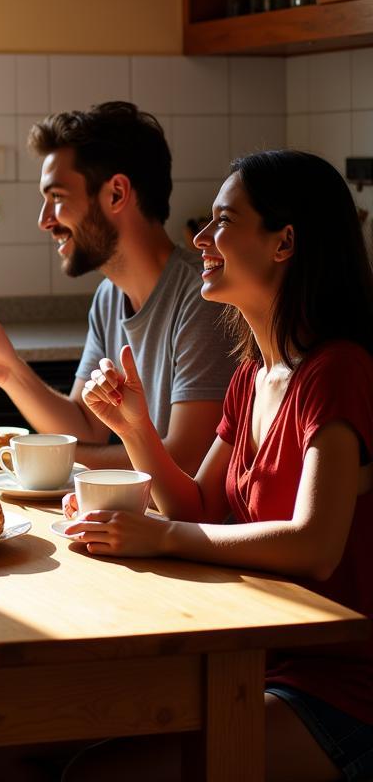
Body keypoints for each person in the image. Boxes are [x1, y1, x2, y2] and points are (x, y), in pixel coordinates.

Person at [61, 149, 373, 781]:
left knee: (92, 774)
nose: (200, 238)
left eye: (223, 220)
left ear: (284, 242)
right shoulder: (252, 376)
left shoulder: (337, 372)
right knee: (3, 739)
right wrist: (136, 428)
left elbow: (316, 546)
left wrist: (163, 535)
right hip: (251, 655)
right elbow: (199, 505)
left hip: (340, 689)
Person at [0, 101, 234, 475]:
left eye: (58, 198)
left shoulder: (202, 297)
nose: (44, 220)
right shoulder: (109, 297)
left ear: (116, 194)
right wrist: (9, 372)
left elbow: (184, 460)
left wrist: (46, 460)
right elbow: (87, 425)